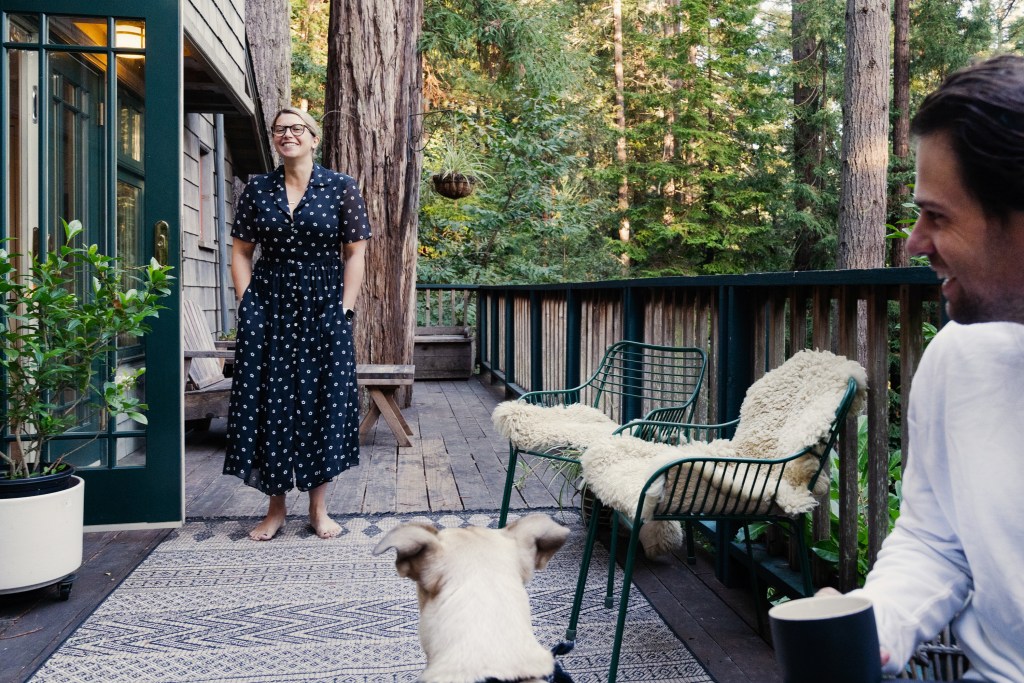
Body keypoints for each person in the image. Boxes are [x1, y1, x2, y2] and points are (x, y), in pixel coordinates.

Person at [819, 55, 1024, 682]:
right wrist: (876, 624)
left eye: (937, 216)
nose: (913, 242)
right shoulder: (961, 357)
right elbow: (937, 541)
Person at [222, 107, 372, 541]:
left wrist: (344, 310)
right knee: (271, 401)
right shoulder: (258, 189)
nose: (287, 135)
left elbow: (356, 253)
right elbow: (241, 251)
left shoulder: (341, 187)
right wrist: (247, 303)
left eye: (296, 128)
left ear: (313, 138)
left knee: (322, 401)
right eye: (279, 130)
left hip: (324, 306)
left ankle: (318, 509)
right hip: (269, 305)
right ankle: (275, 510)